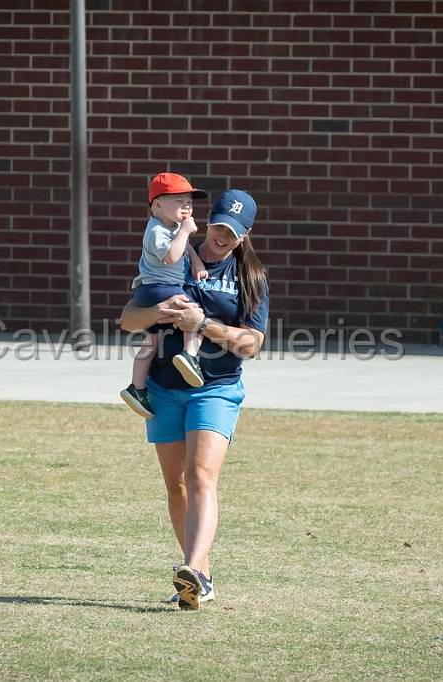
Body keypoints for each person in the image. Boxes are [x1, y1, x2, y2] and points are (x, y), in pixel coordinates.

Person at [119, 189, 269, 610]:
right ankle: (200, 573)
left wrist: (204, 324)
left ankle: (194, 573)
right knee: (177, 485)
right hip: (165, 388)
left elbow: (252, 344)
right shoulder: (177, 254)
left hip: (216, 387)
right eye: (219, 226)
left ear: (246, 234)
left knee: (200, 474)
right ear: (210, 220)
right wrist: (162, 314)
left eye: (233, 232)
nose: (223, 236)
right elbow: (129, 318)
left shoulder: (250, 276)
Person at [119, 172, 211, 419]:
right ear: (157, 205)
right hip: (161, 288)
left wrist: (196, 261)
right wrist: (185, 231)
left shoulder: (170, 227)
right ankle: (190, 356)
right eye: (178, 201)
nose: (187, 206)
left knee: (152, 341)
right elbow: (170, 256)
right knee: (196, 316)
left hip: (151, 289)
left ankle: (137, 389)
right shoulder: (157, 231)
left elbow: (185, 249)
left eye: (189, 202)